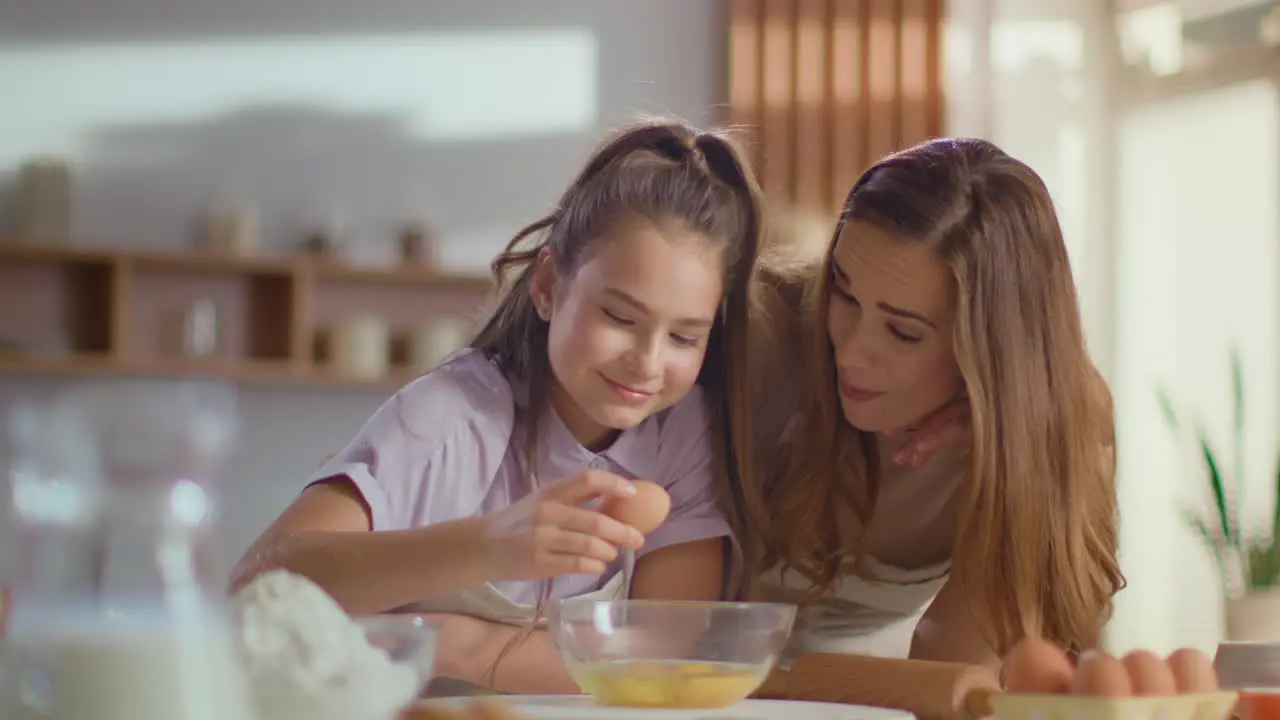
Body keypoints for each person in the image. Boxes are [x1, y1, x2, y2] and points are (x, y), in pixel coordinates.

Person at [229, 117, 766, 693]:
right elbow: (256, 591)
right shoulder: (449, 418)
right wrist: (490, 544)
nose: (648, 362)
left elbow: (666, 652)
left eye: (684, 337)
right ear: (547, 286)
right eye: (619, 317)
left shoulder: (680, 434)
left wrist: (456, 642)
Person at [737, 137, 1125, 670]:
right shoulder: (757, 339)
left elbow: (953, 673)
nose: (849, 352)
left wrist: (1007, 455)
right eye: (844, 295)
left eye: (903, 332)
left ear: (987, 351)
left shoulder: (1049, 422)